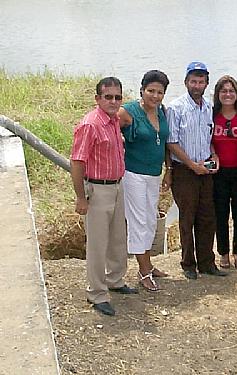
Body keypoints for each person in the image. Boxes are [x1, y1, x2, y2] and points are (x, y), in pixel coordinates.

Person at [70, 77, 138, 317]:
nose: (113, 101)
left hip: (117, 186)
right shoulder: (90, 124)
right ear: (97, 98)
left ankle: (115, 279)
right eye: (107, 97)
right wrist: (81, 197)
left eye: (117, 97)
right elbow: (77, 162)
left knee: (118, 238)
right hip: (97, 190)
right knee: (98, 244)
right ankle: (97, 292)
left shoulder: (113, 120)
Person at [166, 61, 227, 280]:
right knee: (187, 217)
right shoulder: (176, 108)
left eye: (201, 82)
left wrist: (214, 155)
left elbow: (208, 138)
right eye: (193, 81)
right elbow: (171, 142)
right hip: (185, 170)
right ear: (186, 82)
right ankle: (188, 263)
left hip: (205, 169)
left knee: (207, 216)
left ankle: (207, 262)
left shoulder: (209, 107)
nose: (197, 85)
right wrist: (192, 165)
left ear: (206, 84)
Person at [118, 70, 171, 292]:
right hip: (133, 175)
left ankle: (147, 262)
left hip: (153, 174)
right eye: (151, 91)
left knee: (150, 219)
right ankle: (143, 271)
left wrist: (169, 170)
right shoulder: (128, 112)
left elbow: (165, 143)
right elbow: (105, 128)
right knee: (139, 220)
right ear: (142, 90)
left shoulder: (162, 112)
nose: (155, 96)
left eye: (160, 92)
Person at [211, 75, 237, 269]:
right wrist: (212, 154)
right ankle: (223, 252)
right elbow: (205, 141)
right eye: (223, 91)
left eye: (231, 91)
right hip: (219, 173)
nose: (227, 95)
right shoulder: (211, 116)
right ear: (218, 94)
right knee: (220, 213)